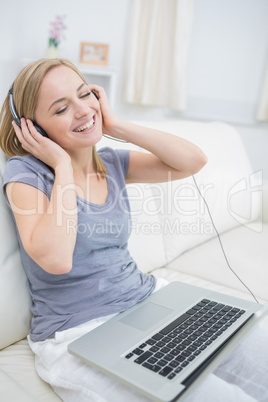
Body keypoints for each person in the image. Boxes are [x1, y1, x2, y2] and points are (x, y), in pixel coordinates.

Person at [0, 58, 267, 402]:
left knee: (256, 353)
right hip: (77, 334)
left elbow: (192, 161)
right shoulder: (26, 173)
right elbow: (56, 259)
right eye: (62, 108)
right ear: (35, 129)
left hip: (149, 299)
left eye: (86, 94)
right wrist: (62, 165)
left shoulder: (111, 162)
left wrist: (117, 126)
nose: (82, 110)